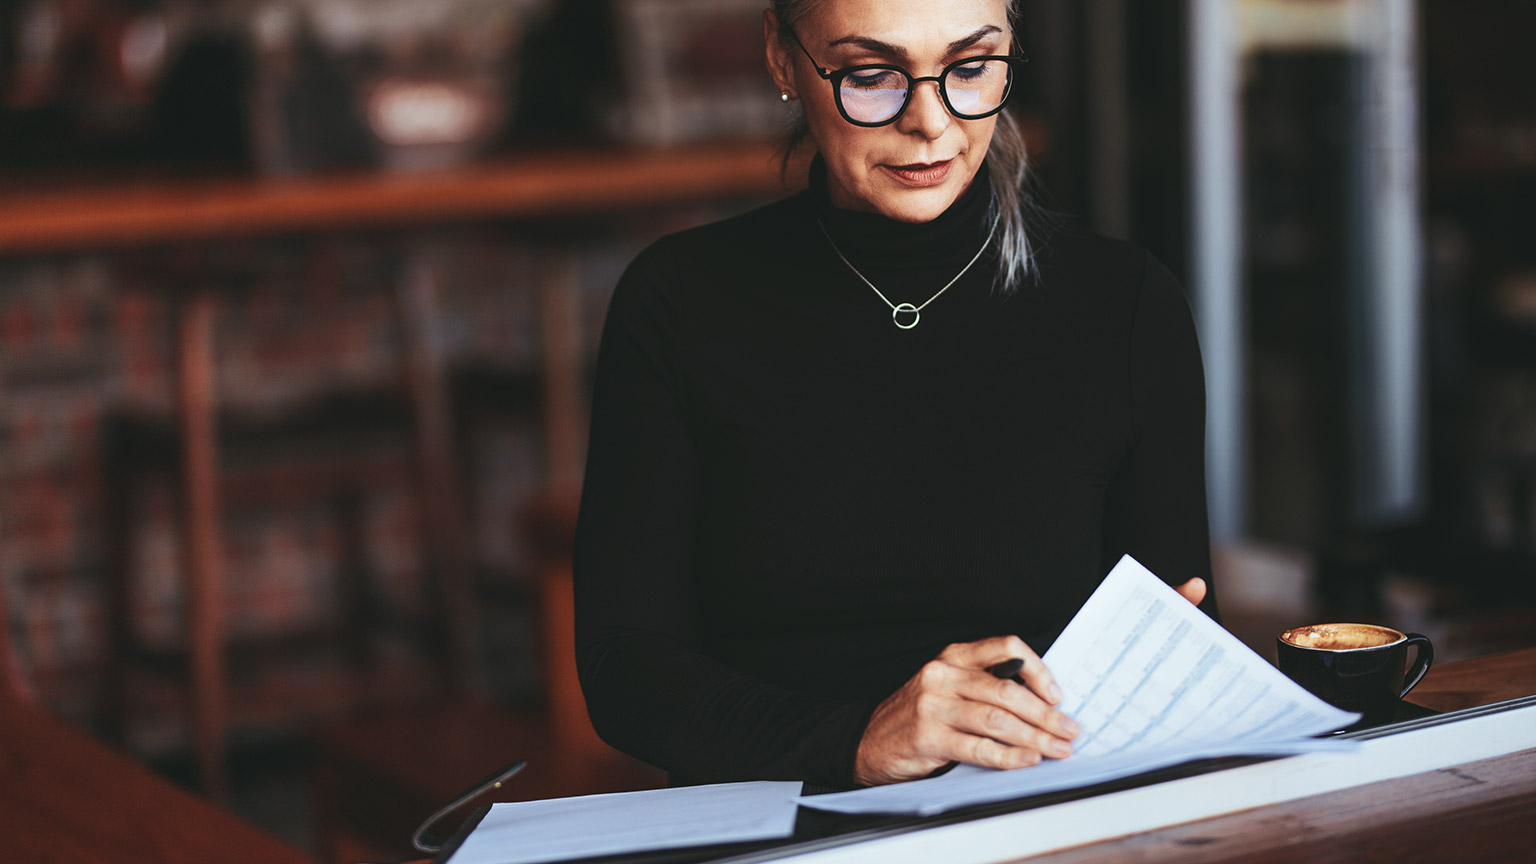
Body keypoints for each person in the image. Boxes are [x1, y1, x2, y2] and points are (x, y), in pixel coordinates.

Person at [573, 0, 1216, 791]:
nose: (929, 121)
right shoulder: (678, 302)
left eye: (972, 68)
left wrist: (1165, 668)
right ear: (782, 56)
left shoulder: (1125, 304)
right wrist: (856, 741)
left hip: (1048, 817)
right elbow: (623, 665)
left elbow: (1178, 623)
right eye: (871, 76)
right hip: (785, 828)